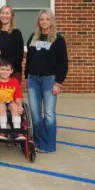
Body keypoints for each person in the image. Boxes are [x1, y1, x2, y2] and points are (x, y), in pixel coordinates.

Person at [25, 9, 68, 154]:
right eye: (42, 19)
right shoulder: (33, 38)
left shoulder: (58, 40)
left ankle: (49, 145)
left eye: (47, 19)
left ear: (52, 21)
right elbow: (29, 60)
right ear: (38, 21)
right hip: (33, 80)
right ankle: (39, 142)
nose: (44, 22)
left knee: (49, 114)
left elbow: (63, 63)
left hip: (49, 80)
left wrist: (58, 83)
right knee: (35, 114)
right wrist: (26, 77)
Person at [0, 59, 24, 141]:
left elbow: (18, 97)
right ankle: (3, 130)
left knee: (14, 105)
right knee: (1, 104)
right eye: (2, 69)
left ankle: (17, 131)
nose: (5, 72)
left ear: (11, 71)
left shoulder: (14, 81)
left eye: (7, 70)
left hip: (10, 103)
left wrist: (20, 106)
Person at [0, 5, 24, 82]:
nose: (4, 16)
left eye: (7, 13)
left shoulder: (16, 33)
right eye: (2, 13)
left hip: (11, 73)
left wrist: (5, 69)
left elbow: (19, 55)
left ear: (11, 16)